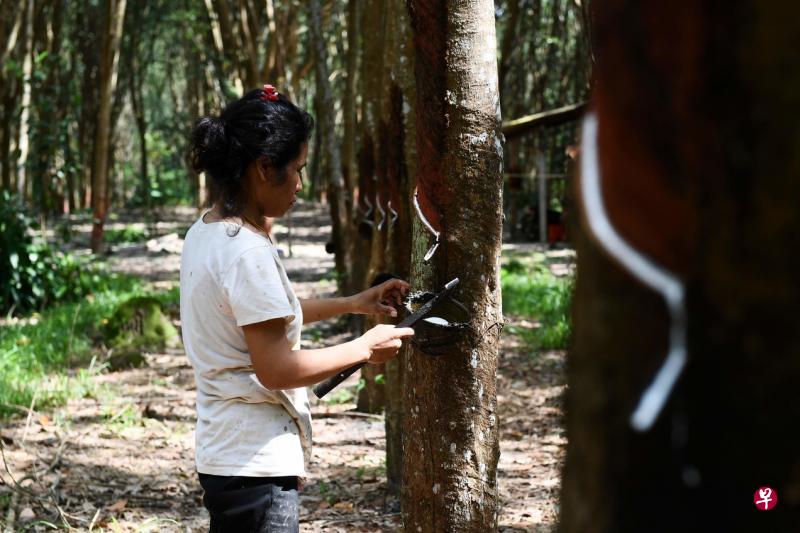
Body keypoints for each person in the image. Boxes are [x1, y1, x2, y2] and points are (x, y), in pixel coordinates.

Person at [181, 84, 414, 532]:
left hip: (225, 454)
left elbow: (255, 317)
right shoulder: (247, 251)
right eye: (297, 170)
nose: (301, 186)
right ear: (265, 168)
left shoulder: (207, 231)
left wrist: (353, 304)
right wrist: (364, 348)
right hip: (255, 464)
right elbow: (277, 368)